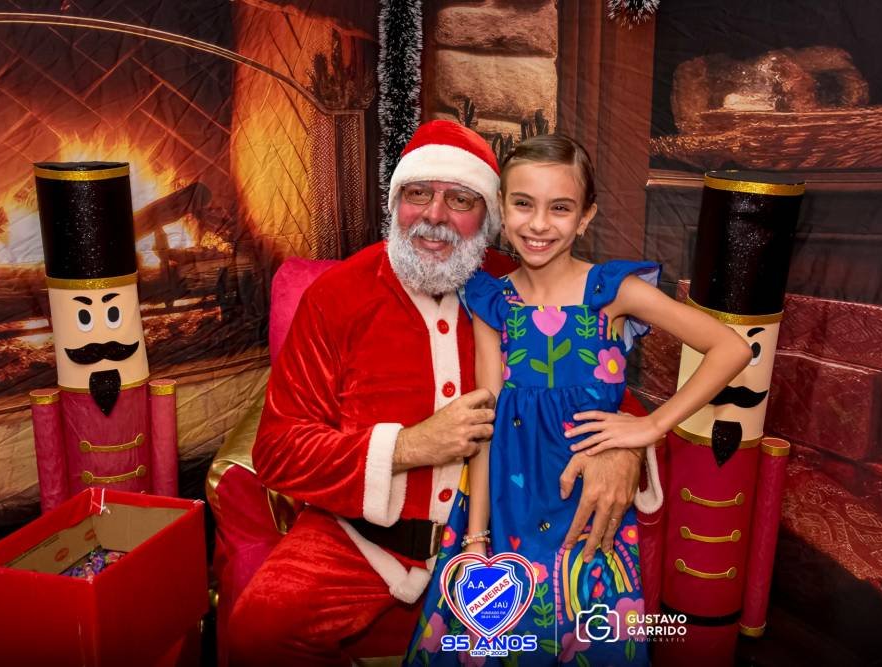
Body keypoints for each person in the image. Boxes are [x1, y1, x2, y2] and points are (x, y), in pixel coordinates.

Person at [227, 121, 652, 665]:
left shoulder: (521, 288)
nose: (434, 215)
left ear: (490, 215)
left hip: (505, 536)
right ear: (395, 203)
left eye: (460, 199)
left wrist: (624, 449)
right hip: (366, 541)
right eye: (417, 194)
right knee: (259, 631)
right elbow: (278, 450)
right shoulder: (335, 298)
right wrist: (408, 446)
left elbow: (601, 388)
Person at [407, 135, 751, 665]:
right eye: (524, 204)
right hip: (509, 512)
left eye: (560, 208)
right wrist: (476, 541)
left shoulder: (611, 292)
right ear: (501, 209)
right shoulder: (493, 301)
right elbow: (485, 419)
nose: (539, 224)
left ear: (585, 217)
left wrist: (650, 427)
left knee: (589, 637)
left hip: (589, 514)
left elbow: (731, 348)